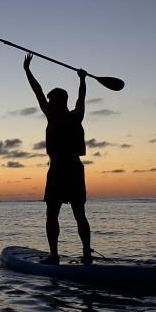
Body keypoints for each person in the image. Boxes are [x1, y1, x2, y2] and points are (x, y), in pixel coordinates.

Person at [23, 53, 93, 265]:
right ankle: (78, 254)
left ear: (58, 102)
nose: (48, 103)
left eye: (51, 100)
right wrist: (82, 79)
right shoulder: (74, 115)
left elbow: (39, 92)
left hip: (63, 170)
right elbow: (80, 97)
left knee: (63, 213)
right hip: (70, 169)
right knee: (66, 213)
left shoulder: (58, 115)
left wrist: (27, 70)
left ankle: (61, 255)